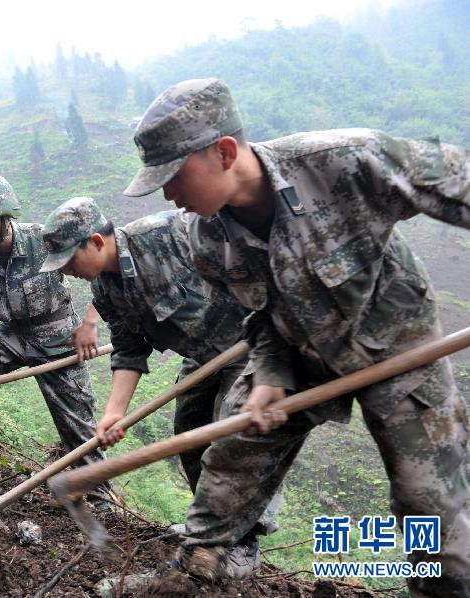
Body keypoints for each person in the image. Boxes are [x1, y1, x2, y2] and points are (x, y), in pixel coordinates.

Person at [124, 78, 469, 594]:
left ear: (223, 152)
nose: (170, 194)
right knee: (230, 455)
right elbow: (262, 314)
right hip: (300, 352)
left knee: (430, 509)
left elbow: (458, 181)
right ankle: (201, 571)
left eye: (174, 176)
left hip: (400, 348)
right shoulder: (207, 240)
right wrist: (269, 372)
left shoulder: (342, 161)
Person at [40, 196, 280, 564]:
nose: (68, 271)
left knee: (235, 437)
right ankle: (210, 523)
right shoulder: (104, 289)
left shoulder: (169, 234)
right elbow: (129, 348)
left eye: (70, 259)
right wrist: (113, 413)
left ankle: (243, 541)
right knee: (189, 430)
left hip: (248, 345)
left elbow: (249, 258)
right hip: (201, 356)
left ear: (97, 242)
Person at [0, 173, 110, 503]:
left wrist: (89, 321)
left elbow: (99, 267)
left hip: (59, 336)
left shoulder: (42, 240)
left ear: (5, 215)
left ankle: (100, 497)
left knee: (79, 423)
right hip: (12, 335)